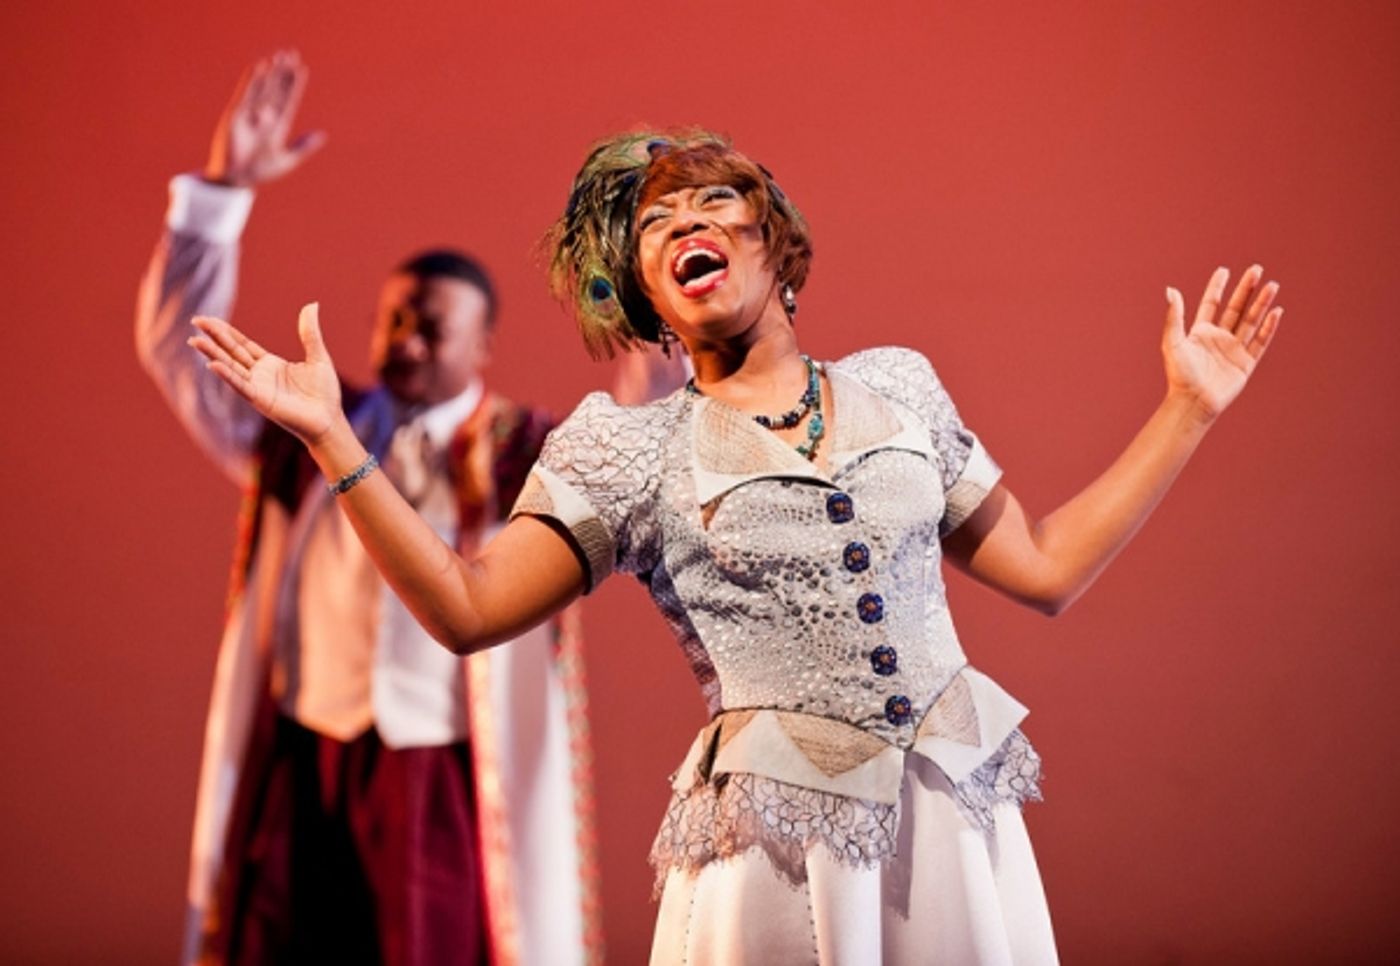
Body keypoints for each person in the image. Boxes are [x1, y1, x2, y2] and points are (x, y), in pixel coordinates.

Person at [189, 130, 1282, 965]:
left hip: (948, 823)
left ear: (775, 244)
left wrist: (1186, 407)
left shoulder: (896, 385)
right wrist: (335, 440)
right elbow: (468, 608)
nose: (681, 226)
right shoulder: (628, 449)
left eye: (713, 202)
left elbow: (1043, 568)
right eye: (654, 230)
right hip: (774, 860)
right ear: (650, 299)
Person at [139, 52, 629, 965]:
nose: (405, 338)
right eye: (394, 318)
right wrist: (221, 192)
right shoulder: (302, 431)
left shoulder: (528, 449)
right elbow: (178, 353)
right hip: (308, 751)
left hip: (441, 767)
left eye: (432, 323)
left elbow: (644, 441)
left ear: (484, 343)